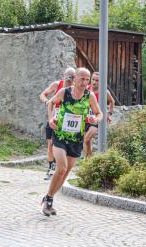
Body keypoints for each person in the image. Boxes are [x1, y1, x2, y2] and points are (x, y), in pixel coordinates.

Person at [41, 67, 102, 216]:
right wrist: (50, 119)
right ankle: (48, 199)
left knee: (66, 172)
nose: (84, 82)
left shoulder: (90, 96)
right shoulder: (65, 92)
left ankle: (49, 198)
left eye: (87, 79)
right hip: (61, 136)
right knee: (61, 168)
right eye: (82, 79)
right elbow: (50, 103)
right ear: (75, 79)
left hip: (76, 139)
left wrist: (96, 118)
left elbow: (99, 113)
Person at [39, 67, 76, 180]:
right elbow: (43, 94)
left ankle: (61, 169)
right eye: (68, 76)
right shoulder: (57, 84)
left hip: (66, 121)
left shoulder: (75, 89)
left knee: (62, 145)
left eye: (72, 77)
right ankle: (51, 168)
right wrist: (47, 101)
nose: (69, 79)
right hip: (53, 119)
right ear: (64, 75)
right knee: (50, 144)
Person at [83, 72, 115, 158]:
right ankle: (89, 160)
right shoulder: (86, 89)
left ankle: (88, 160)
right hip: (86, 118)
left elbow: (112, 101)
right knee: (87, 141)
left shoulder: (104, 92)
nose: (94, 82)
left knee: (87, 139)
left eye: (97, 80)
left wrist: (109, 113)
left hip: (96, 119)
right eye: (93, 79)